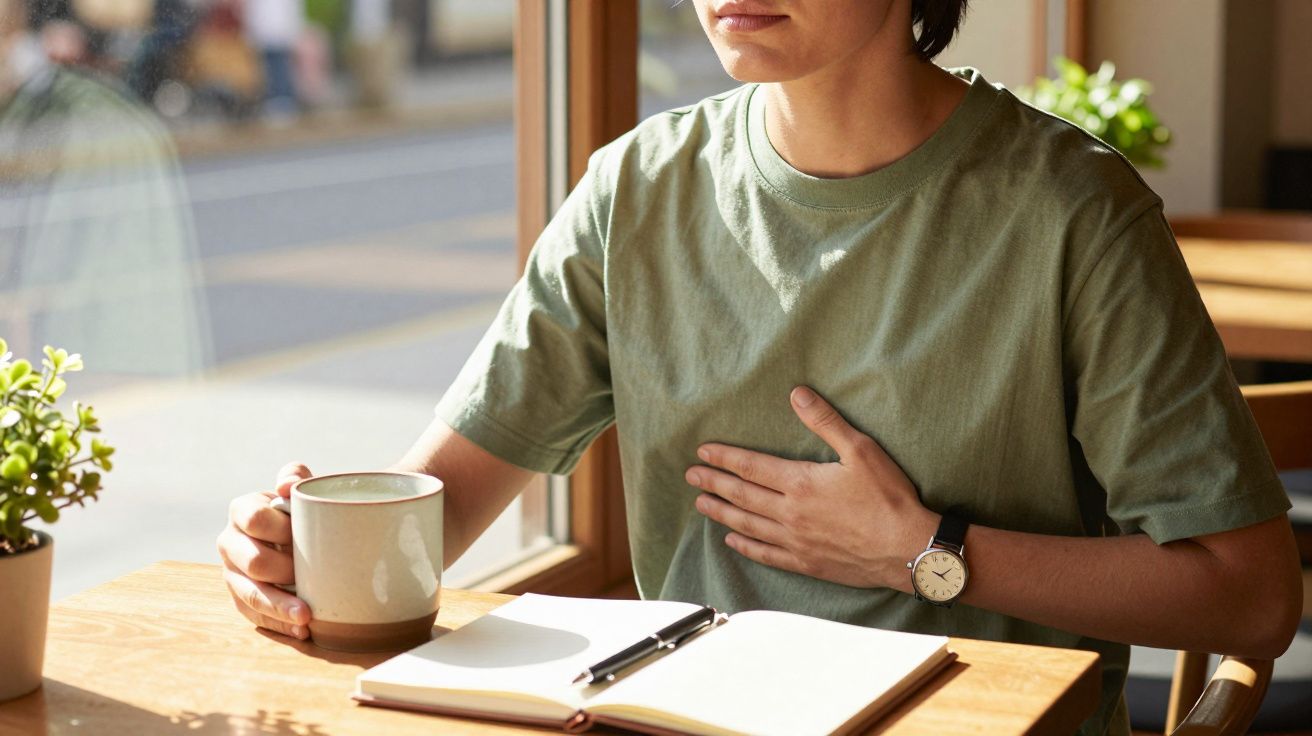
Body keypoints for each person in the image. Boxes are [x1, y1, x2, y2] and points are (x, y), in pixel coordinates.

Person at [216, 2, 1302, 734]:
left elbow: (1254, 599)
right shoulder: (635, 192)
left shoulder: (1072, 213)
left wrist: (926, 553)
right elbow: (439, 508)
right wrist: (297, 556)